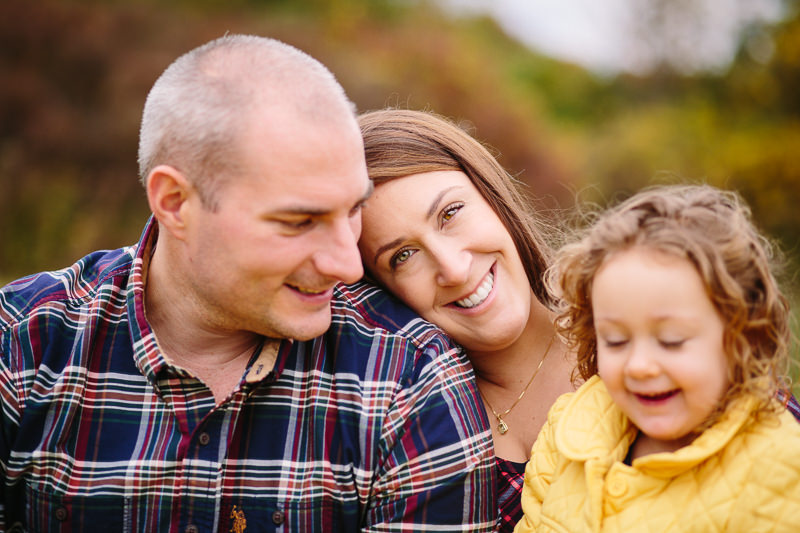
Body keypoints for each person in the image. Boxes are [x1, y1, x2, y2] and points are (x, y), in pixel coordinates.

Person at [0, 35, 497, 532]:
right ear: (175, 203)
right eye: (299, 222)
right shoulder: (20, 343)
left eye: (352, 209)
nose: (348, 266)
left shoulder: (409, 377)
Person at [515, 184, 800, 532]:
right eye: (616, 341)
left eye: (671, 341)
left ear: (743, 335)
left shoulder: (780, 468)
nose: (639, 365)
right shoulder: (566, 431)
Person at [357, 109, 576, 532]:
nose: (453, 269)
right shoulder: (410, 427)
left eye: (450, 213)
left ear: (492, 195)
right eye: (402, 256)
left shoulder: (628, 342)